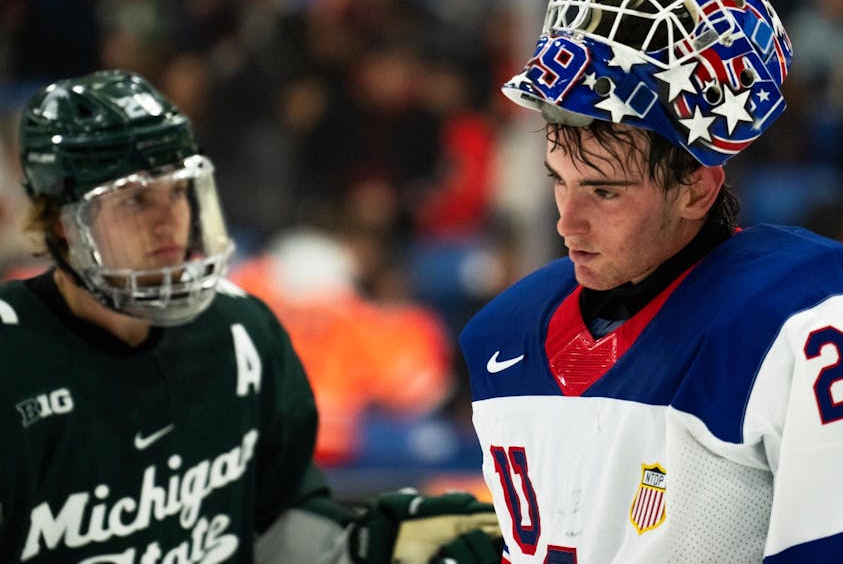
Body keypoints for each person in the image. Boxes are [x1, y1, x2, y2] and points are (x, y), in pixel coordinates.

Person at [459, 0, 843, 562]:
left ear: (695, 186)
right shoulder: (503, 338)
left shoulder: (806, 318)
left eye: (604, 192)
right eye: (560, 182)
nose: (566, 224)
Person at [0, 70, 503, 563]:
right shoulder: (12, 362)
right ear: (64, 225)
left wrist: (362, 546)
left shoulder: (241, 329)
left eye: (178, 191)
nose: (168, 221)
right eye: (134, 201)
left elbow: (278, 520)